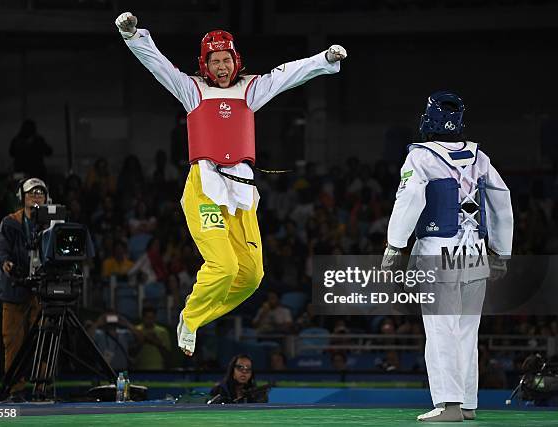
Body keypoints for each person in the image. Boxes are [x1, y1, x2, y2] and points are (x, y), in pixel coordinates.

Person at [115, 12, 347, 357]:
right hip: (204, 187)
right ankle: (190, 320)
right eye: (215, 61)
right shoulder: (192, 90)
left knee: (251, 276)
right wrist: (133, 36)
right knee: (223, 266)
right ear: (205, 65)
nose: (221, 66)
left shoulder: (250, 90)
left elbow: (289, 74)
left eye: (226, 59)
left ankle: (194, 318)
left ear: (235, 61)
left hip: (241, 190)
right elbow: (158, 65)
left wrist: (324, 59)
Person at [381, 91, 513, 422]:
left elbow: (409, 200)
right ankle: (468, 403)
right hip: (474, 255)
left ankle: (448, 404)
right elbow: (501, 201)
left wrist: (395, 244)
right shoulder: (479, 157)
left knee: (441, 330)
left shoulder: (421, 157)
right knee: (468, 331)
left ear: (429, 119)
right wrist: (503, 251)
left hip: (438, 255)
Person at [0, 177, 49, 401]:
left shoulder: (51, 222)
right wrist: (5, 263)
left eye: (40, 193)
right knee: (14, 342)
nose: (36, 196)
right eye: (32, 193)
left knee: (44, 341)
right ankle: (15, 390)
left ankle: (42, 388)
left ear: (46, 197)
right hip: (14, 289)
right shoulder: (10, 222)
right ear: (22, 197)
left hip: (42, 292)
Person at [133, 306, 172, 370]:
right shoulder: (136, 331)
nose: (150, 320)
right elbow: (131, 353)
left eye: (152, 318)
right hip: (139, 368)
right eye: (147, 318)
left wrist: (158, 343)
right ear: (143, 318)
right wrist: (142, 341)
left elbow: (168, 354)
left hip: (158, 368)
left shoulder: (162, 331)